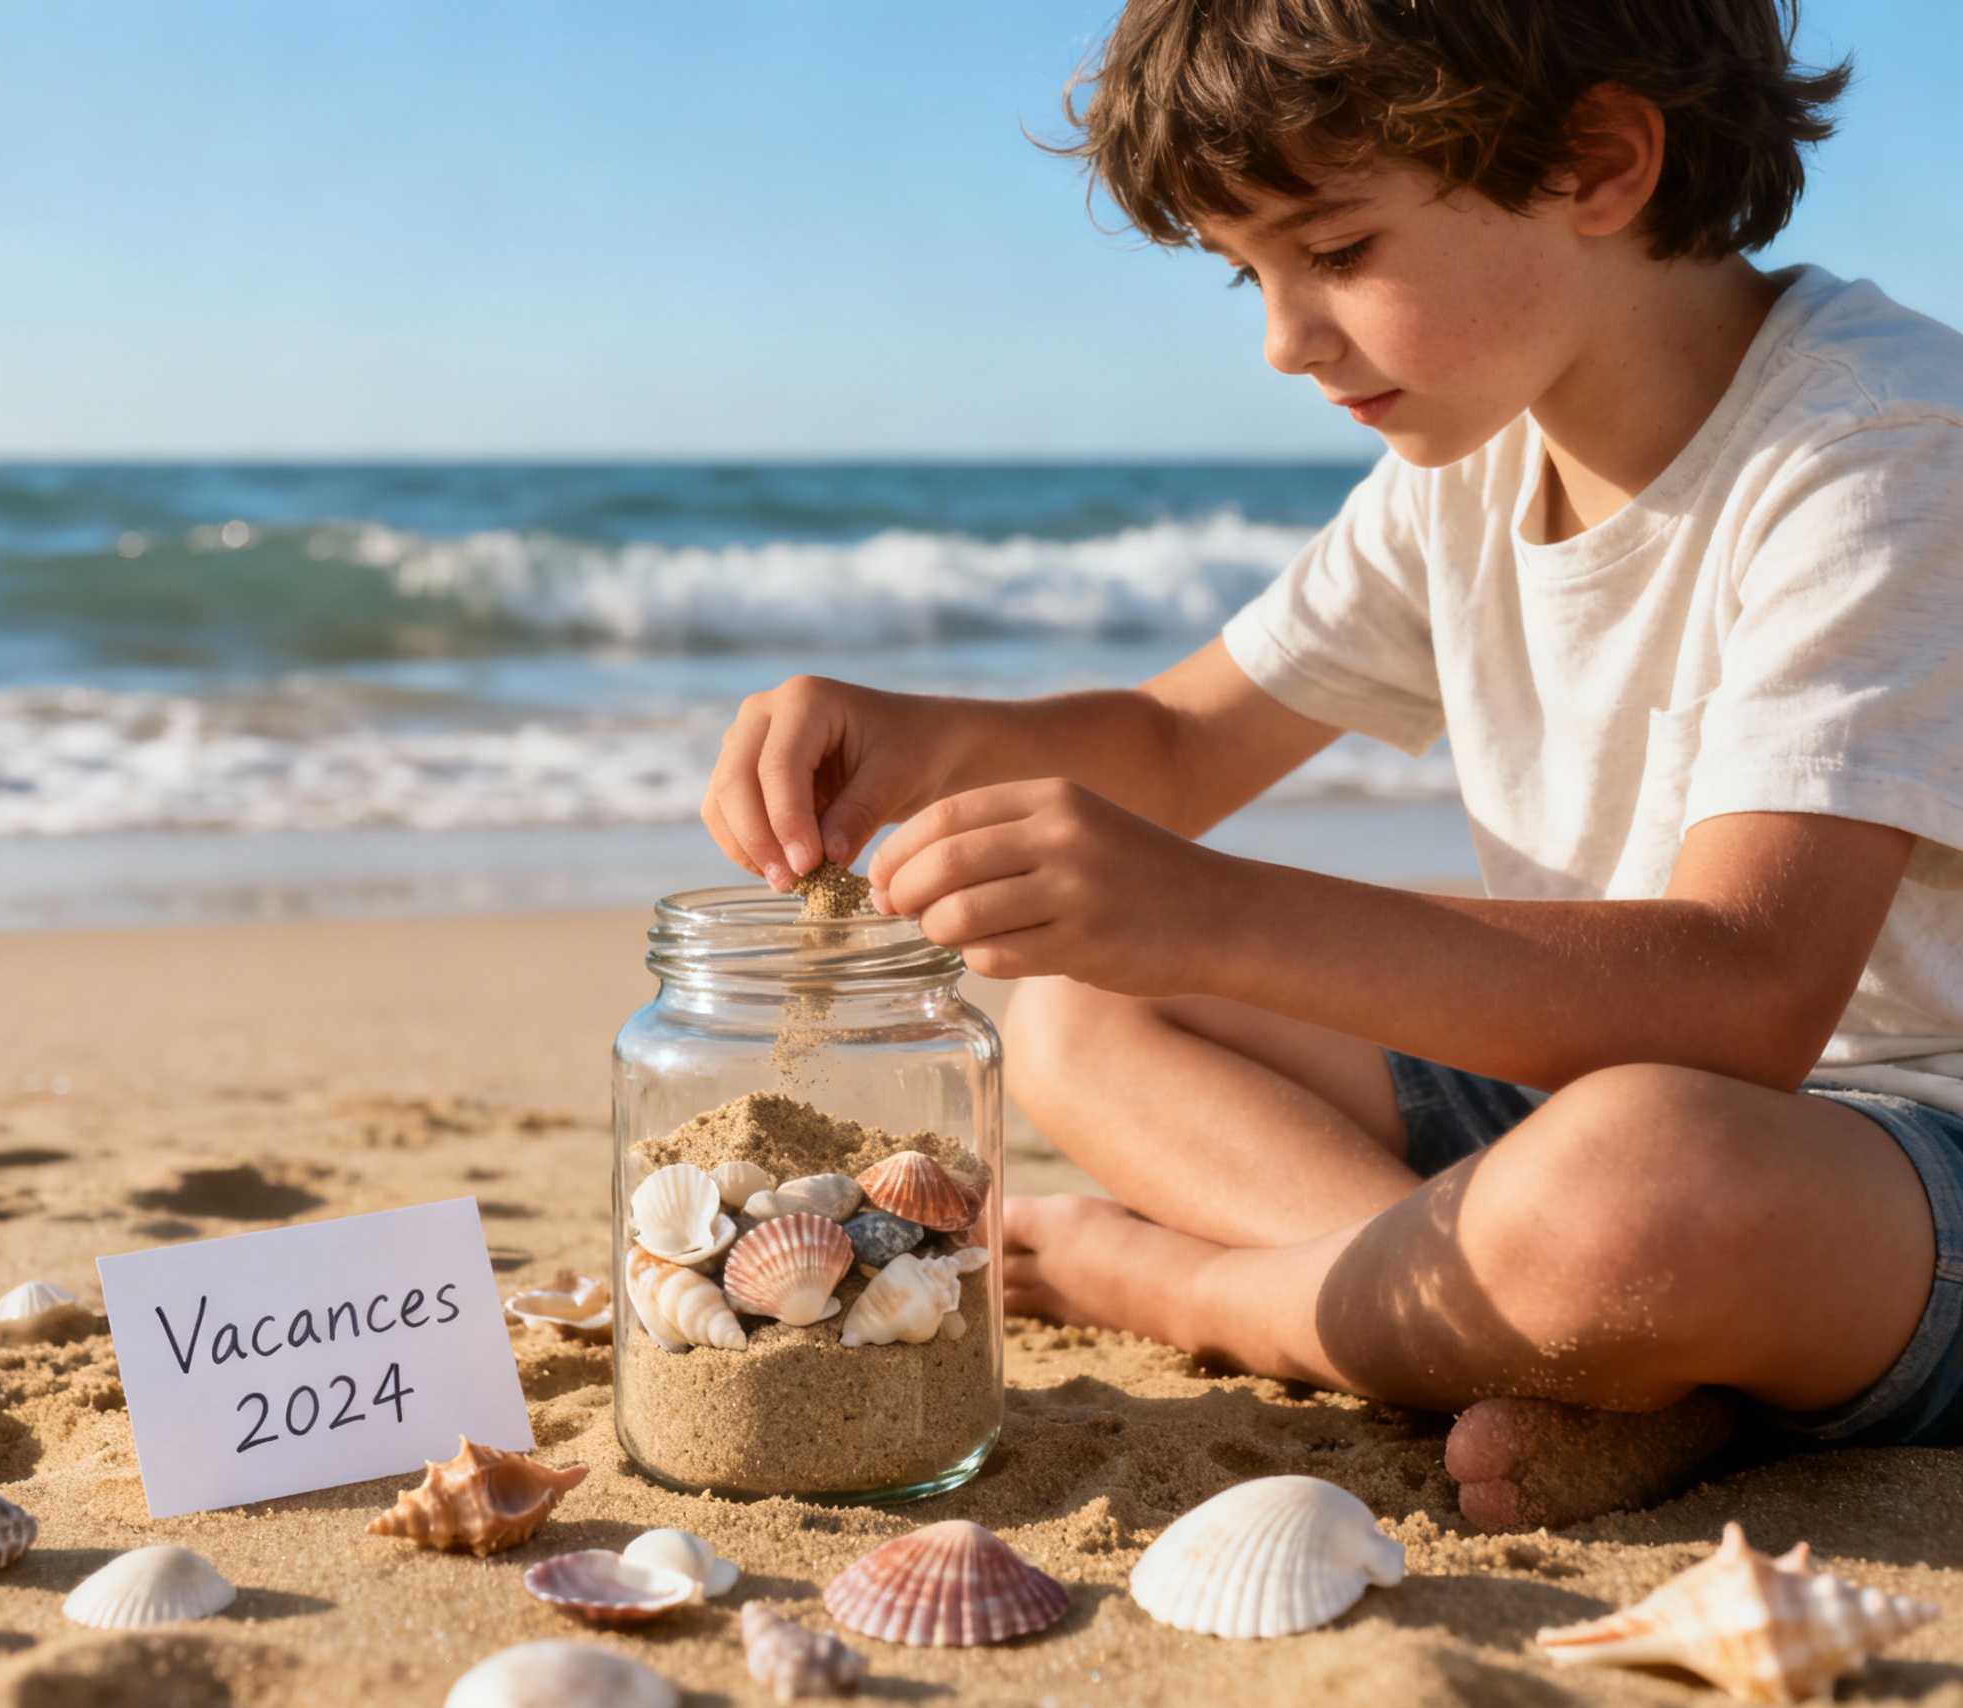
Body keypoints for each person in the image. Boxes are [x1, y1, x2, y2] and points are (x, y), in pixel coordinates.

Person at [699, 0, 1963, 1532]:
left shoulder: (1881, 447)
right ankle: (1558, 1356)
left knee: (1637, 1190)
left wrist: (1204, 940)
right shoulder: (1474, 457)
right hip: (1605, 1109)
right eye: (1252, 274)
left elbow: (1746, 998)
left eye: (1338, 251)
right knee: (1084, 1006)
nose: (1284, 340)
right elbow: (1173, 742)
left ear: (1601, 162)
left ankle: (1253, 1298)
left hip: (1881, 1157)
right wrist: (918, 741)